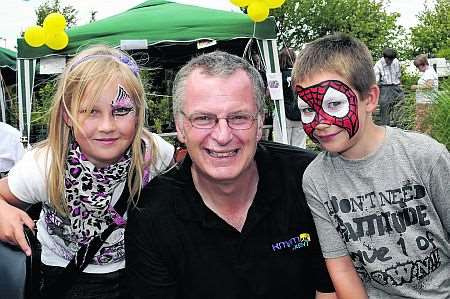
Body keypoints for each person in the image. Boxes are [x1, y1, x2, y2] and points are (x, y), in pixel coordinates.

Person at [125, 51, 336, 299]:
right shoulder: (150, 214)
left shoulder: (307, 181)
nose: (223, 136)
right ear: (180, 127)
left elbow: (330, 290)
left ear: (260, 123)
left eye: (238, 117)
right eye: (204, 118)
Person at [0, 45, 174, 299]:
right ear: (68, 116)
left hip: (137, 270)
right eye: (91, 111)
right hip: (64, 275)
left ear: (138, 113)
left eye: (121, 110)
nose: (107, 126)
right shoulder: (45, 165)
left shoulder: (155, 154)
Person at [293, 33, 450, 298]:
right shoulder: (316, 179)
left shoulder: (425, 156)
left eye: (334, 104)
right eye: (307, 109)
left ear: (370, 99)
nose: (320, 120)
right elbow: (341, 268)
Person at [273, 47, 307, 148]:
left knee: (282, 145)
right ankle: (300, 164)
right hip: (300, 113)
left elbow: (271, 94)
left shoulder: (277, 76)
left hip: (282, 113)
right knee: (299, 147)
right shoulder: (302, 75)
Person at [373, 47, 404, 126]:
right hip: (385, 88)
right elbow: (376, 81)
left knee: (400, 105)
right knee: (385, 108)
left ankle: (400, 126)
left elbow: (399, 76)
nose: (390, 62)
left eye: (392, 60)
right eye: (388, 60)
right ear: (385, 57)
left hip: (396, 87)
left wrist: (400, 87)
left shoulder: (396, 62)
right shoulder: (378, 65)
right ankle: (385, 128)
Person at [411, 54, 439, 132]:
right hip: (425, 101)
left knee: (421, 123)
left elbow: (429, 85)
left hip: (425, 102)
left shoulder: (429, 73)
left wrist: (415, 87)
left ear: (422, 65)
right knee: (425, 123)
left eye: (417, 67)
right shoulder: (428, 72)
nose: (417, 69)